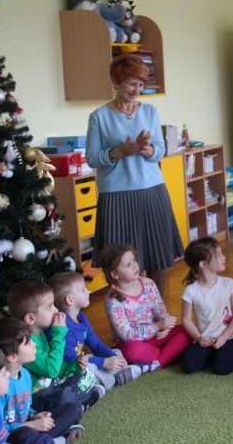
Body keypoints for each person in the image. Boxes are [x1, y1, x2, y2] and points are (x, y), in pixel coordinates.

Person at [85, 53, 184, 296]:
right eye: (131, 84)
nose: (136, 90)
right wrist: (118, 152)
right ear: (116, 82)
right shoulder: (99, 116)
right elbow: (92, 157)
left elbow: (160, 150)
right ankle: (126, 312)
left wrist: (147, 150)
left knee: (158, 256)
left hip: (152, 191)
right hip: (115, 196)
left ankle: (157, 308)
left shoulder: (150, 111)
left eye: (141, 85)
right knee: (120, 263)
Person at [0, 317, 85, 443]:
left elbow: (25, 406)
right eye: (28, 343)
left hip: (28, 425)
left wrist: (34, 415)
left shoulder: (25, 374)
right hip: (13, 435)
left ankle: (50, 439)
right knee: (26, 432)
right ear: (12, 356)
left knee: (72, 408)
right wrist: (32, 425)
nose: (34, 344)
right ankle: (58, 439)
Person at [7, 281, 103, 411]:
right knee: (65, 395)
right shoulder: (26, 344)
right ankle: (75, 405)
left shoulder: (39, 334)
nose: (56, 310)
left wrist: (73, 366)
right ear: (30, 318)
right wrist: (59, 333)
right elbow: (52, 371)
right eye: (49, 307)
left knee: (87, 375)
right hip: (38, 397)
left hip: (51, 386)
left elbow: (56, 365)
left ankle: (75, 404)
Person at [99, 243, 192, 373]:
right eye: (128, 265)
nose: (135, 266)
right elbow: (127, 335)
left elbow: (161, 311)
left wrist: (166, 326)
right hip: (132, 344)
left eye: (134, 260)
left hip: (156, 337)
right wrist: (157, 326)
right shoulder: (113, 301)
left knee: (187, 331)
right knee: (133, 351)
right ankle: (169, 355)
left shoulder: (148, 283)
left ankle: (157, 362)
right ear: (115, 274)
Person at [49, 272, 141, 390]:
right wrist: (105, 363)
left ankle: (112, 374)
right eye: (83, 290)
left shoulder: (80, 317)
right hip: (67, 370)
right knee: (89, 367)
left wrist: (113, 358)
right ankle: (114, 379)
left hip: (80, 360)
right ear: (70, 300)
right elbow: (71, 360)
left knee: (116, 352)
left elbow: (96, 344)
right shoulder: (62, 325)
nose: (89, 291)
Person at [179, 237, 233, 375]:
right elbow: (186, 320)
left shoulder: (229, 284)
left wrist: (223, 337)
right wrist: (199, 338)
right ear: (203, 264)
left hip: (228, 336)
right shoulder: (190, 291)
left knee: (221, 368)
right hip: (205, 339)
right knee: (188, 365)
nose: (224, 257)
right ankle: (216, 355)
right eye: (218, 255)